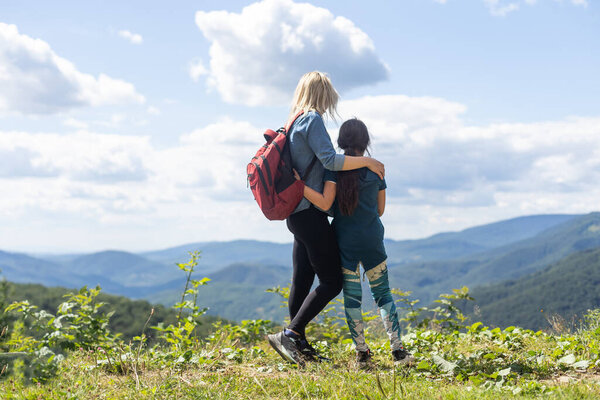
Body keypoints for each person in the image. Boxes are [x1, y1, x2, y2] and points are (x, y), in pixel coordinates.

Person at [267, 72, 385, 365]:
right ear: (323, 93)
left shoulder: (293, 120)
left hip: (296, 213)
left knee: (303, 278)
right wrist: (369, 161)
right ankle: (291, 334)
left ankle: (298, 344)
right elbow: (331, 160)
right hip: (310, 212)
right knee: (332, 281)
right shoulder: (312, 119)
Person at [295, 118, 414, 367]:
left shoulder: (334, 169)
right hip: (372, 242)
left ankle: (362, 354)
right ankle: (398, 352)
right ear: (366, 142)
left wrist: (299, 185)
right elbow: (380, 210)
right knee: (383, 295)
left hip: (344, 245)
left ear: (340, 141)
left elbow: (326, 204)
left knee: (352, 299)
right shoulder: (375, 169)